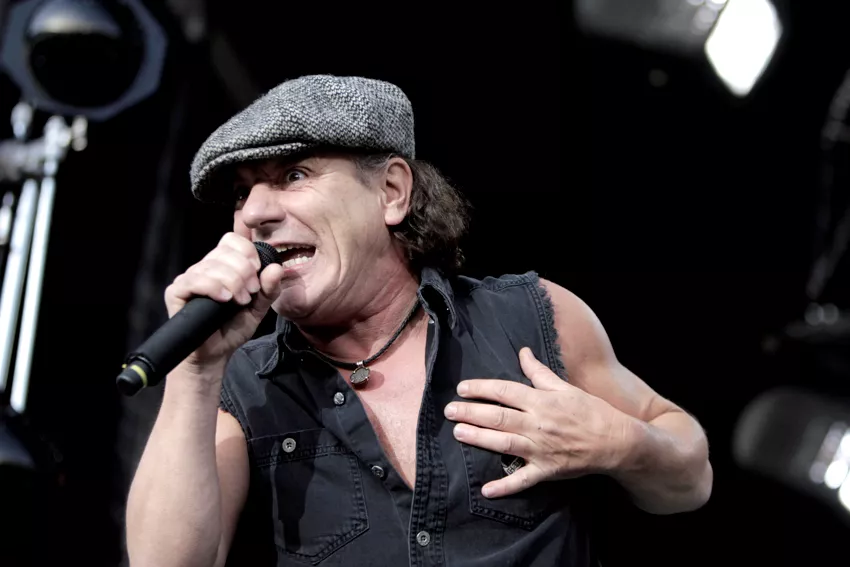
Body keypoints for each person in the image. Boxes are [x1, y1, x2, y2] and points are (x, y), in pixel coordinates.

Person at [125, 75, 712, 567]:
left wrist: (616, 443)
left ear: (391, 191)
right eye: (241, 193)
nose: (254, 213)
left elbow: (691, 479)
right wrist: (195, 374)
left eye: (294, 175)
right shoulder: (240, 388)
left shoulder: (531, 318)